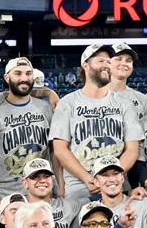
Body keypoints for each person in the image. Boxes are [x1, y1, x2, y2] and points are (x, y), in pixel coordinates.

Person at [50, 44, 142, 201]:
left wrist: (111, 178)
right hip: (80, 186)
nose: (106, 65)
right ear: (86, 65)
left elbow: (132, 149)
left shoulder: (125, 104)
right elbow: (60, 150)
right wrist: (87, 178)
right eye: (101, 61)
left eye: (108, 62)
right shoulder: (67, 103)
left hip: (116, 186)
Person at [0, 57, 53, 200]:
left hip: (42, 190)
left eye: (28, 73)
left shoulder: (46, 109)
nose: (24, 78)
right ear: (7, 77)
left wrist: (59, 187)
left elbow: (54, 153)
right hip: (9, 194)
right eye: (18, 73)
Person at [107, 43, 147, 119]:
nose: (124, 63)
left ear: (132, 68)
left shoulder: (142, 100)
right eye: (118, 59)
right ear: (108, 64)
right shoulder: (92, 98)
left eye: (128, 61)